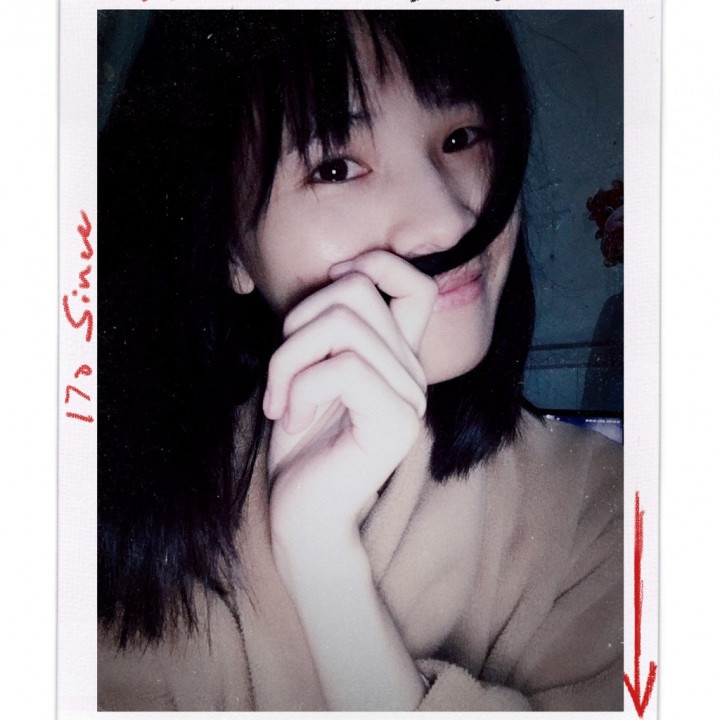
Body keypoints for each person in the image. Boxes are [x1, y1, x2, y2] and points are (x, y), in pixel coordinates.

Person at [97, 10, 623, 712]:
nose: (450, 222)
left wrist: (322, 563)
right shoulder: (94, 507)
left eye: (461, 138)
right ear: (228, 244)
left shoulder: (614, 517)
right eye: (336, 167)